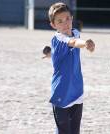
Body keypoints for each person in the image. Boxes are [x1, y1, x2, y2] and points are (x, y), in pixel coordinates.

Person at [46, 2, 95, 134]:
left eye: (67, 18)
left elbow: (74, 38)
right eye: (60, 21)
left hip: (77, 91)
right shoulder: (58, 38)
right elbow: (72, 42)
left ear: (72, 18)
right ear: (53, 25)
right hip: (61, 92)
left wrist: (50, 53)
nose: (65, 23)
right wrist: (85, 43)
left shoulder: (75, 32)